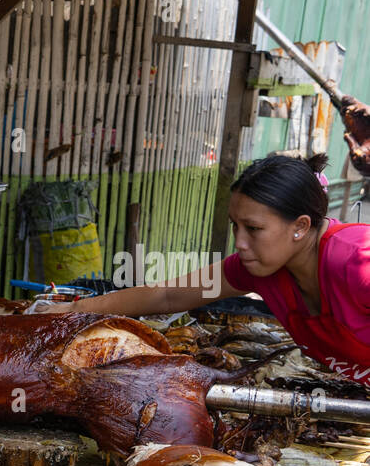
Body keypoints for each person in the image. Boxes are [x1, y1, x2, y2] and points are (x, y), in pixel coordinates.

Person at [37, 155, 370, 386]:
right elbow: (167, 295)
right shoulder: (259, 268)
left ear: (300, 226)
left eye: (253, 228)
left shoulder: (357, 262)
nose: (239, 242)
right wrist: (72, 310)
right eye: (235, 226)